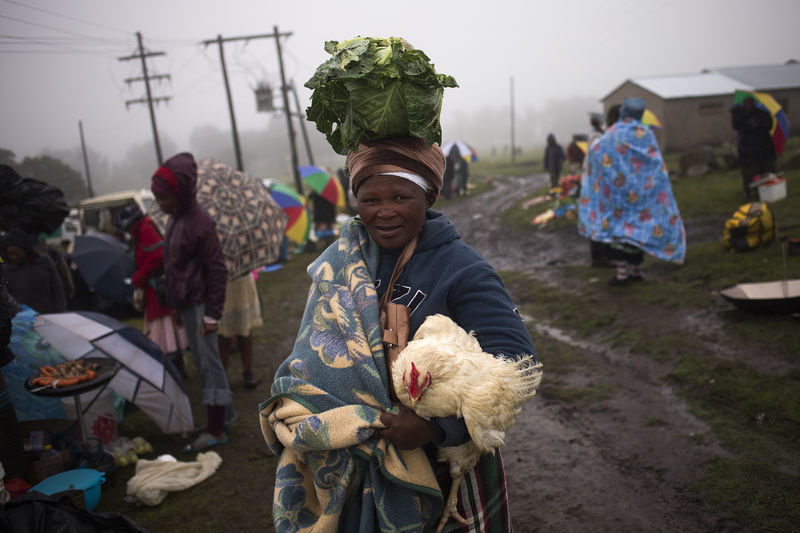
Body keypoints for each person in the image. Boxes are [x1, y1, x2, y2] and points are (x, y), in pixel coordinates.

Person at [260, 136, 537, 531]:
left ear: (428, 197)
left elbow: (515, 362)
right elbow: (313, 351)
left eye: (401, 198)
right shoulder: (341, 263)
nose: (385, 212)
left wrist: (436, 428)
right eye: (371, 199)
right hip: (352, 470)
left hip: (442, 470)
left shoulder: (461, 269)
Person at [150, 152, 235, 452]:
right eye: (157, 198)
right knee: (203, 362)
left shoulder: (199, 221)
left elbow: (216, 270)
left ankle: (215, 430)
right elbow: (175, 265)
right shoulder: (176, 219)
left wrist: (212, 315)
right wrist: (175, 305)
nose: (160, 203)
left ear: (181, 192)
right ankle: (225, 417)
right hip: (187, 304)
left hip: (201, 305)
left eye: (164, 197)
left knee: (209, 366)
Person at [578, 98, 686, 285]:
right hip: (643, 194)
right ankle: (637, 272)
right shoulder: (645, 133)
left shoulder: (614, 133)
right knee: (639, 232)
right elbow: (654, 160)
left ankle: (622, 275)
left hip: (620, 195)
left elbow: (596, 150)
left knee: (622, 235)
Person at [113, 204, 188, 378]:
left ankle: (176, 371)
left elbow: (156, 256)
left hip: (158, 292)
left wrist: (138, 277)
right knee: (169, 333)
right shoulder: (144, 229)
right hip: (156, 290)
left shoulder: (145, 230)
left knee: (166, 333)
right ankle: (177, 369)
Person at [1, 228, 67, 314]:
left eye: (17, 253)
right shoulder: (6, 269)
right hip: (21, 317)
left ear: (26, 250)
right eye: (10, 254)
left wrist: (61, 311)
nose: (14, 257)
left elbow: (57, 287)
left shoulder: (44, 261)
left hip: (47, 313)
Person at [217, 272, 262, 390]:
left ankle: (248, 372)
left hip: (243, 281)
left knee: (245, 329)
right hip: (221, 283)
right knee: (222, 332)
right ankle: (223, 377)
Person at [731, 96, 777, 199]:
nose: (749, 104)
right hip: (747, 148)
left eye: (751, 102)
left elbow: (769, 124)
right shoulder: (739, 114)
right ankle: (747, 190)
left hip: (762, 146)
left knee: (764, 169)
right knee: (748, 171)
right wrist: (748, 126)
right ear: (744, 103)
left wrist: (759, 124)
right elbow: (736, 125)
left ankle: (764, 189)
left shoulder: (762, 113)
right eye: (747, 102)